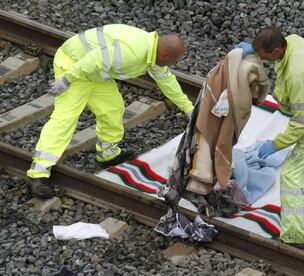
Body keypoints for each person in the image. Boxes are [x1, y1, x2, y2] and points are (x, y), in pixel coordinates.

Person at [28, 24, 194, 199]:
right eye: (173, 61)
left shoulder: (152, 53)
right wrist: (67, 80)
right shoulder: (133, 51)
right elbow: (92, 60)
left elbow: (167, 82)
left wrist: (188, 109)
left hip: (95, 73)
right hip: (74, 66)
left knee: (113, 109)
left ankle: (107, 154)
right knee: (65, 119)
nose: (173, 65)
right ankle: (39, 172)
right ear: (165, 55)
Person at [236, 27, 304, 252]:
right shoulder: (293, 41)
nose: (263, 60)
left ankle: (294, 238)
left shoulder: (297, 74)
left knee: (291, 175)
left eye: (265, 56)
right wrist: (253, 51)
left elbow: (302, 122)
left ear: (277, 50)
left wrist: (276, 144)